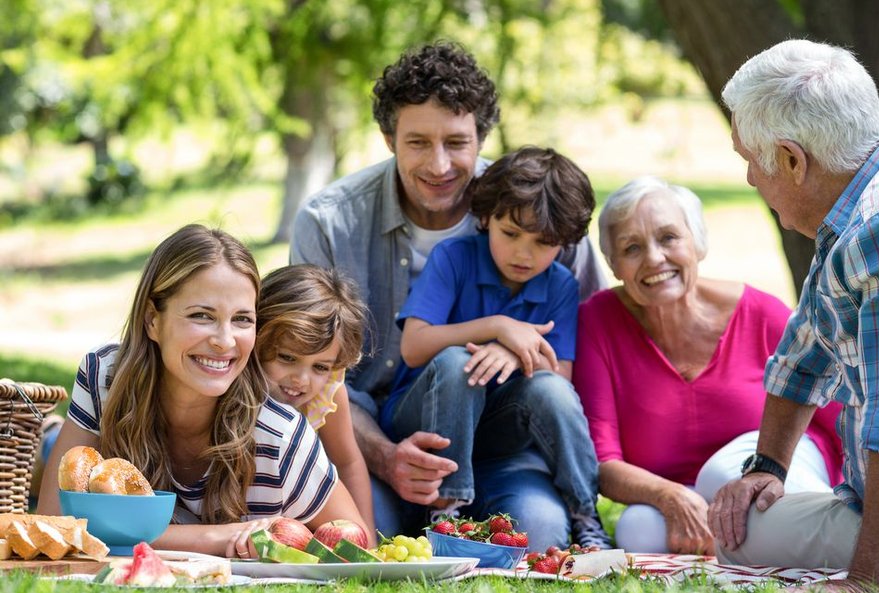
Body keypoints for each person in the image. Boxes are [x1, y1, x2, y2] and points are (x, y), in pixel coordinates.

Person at [290, 41, 608, 548]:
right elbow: (310, 373)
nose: (439, 165)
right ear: (388, 138)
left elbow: (585, 356)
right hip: (382, 438)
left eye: (457, 143)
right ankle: (440, 519)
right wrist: (383, 457)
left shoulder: (535, 210)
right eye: (417, 142)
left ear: (482, 136)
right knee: (370, 535)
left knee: (542, 536)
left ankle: (539, 515)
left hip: (506, 443)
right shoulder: (330, 222)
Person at [707, 39, 879, 589]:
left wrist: (864, 580)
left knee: (734, 535)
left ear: (793, 160)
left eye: (750, 161)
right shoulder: (870, 193)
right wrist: (767, 466)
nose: (749, 179)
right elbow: (805, 353)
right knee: (730, 503)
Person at [37, 224, 367, 558]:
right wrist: (217, 538)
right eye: (201, 316)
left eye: (241, 319)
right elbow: (53, 523)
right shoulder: (105, 376)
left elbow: (356, 551)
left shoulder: (280, 437)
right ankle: (45, 438)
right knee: (56, 454)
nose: (224, 341)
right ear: (152, 319)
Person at [573, 176, 843, 554]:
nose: (653, 258)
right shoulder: (597, 323)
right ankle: (763, 551)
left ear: (697, 243)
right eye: (632, 248)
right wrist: (670, 496)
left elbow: (840, 419)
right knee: (639, 529)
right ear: (614, 265)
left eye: (668, 238)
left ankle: (853, 537)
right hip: (686, 490)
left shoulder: (762, 314)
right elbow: (604, 463)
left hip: (775, 468)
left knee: (723, 474)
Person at [382, 146, 611, 548]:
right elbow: (414, 348)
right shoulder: (453, 258)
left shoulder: (559, 285)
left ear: (565, 243)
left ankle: (584, 514)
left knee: (550, 388)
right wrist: (498, 328)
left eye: (543, 242)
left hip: (500, 436)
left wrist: (511, 351)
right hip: (426, 419)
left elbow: (560, 377)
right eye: (511, 234)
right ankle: (444, 508)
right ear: (487, 218)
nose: (524, 253)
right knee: (458, 362)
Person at [256, 264, 376, 542]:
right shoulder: (237, 388)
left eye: (320, 367)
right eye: (287, 358)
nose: (302, 380)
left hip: (313, 506)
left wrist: (368, 537)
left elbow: (348, 461)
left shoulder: (328, 394)